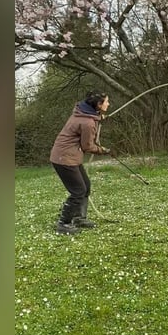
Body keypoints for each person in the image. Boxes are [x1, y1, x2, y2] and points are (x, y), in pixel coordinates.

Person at [50, 90, 112, 234]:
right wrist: (104, 150)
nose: (108, 104)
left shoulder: (81, 112)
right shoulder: (88, 122)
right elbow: (88, 146)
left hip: (70, 156)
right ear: (98, 104)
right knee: (78, 191)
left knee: (86, 186)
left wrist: (100, 117)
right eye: (106, 101)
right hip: (64, 158)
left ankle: (78, 218)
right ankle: (63, 224)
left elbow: (89, 120)